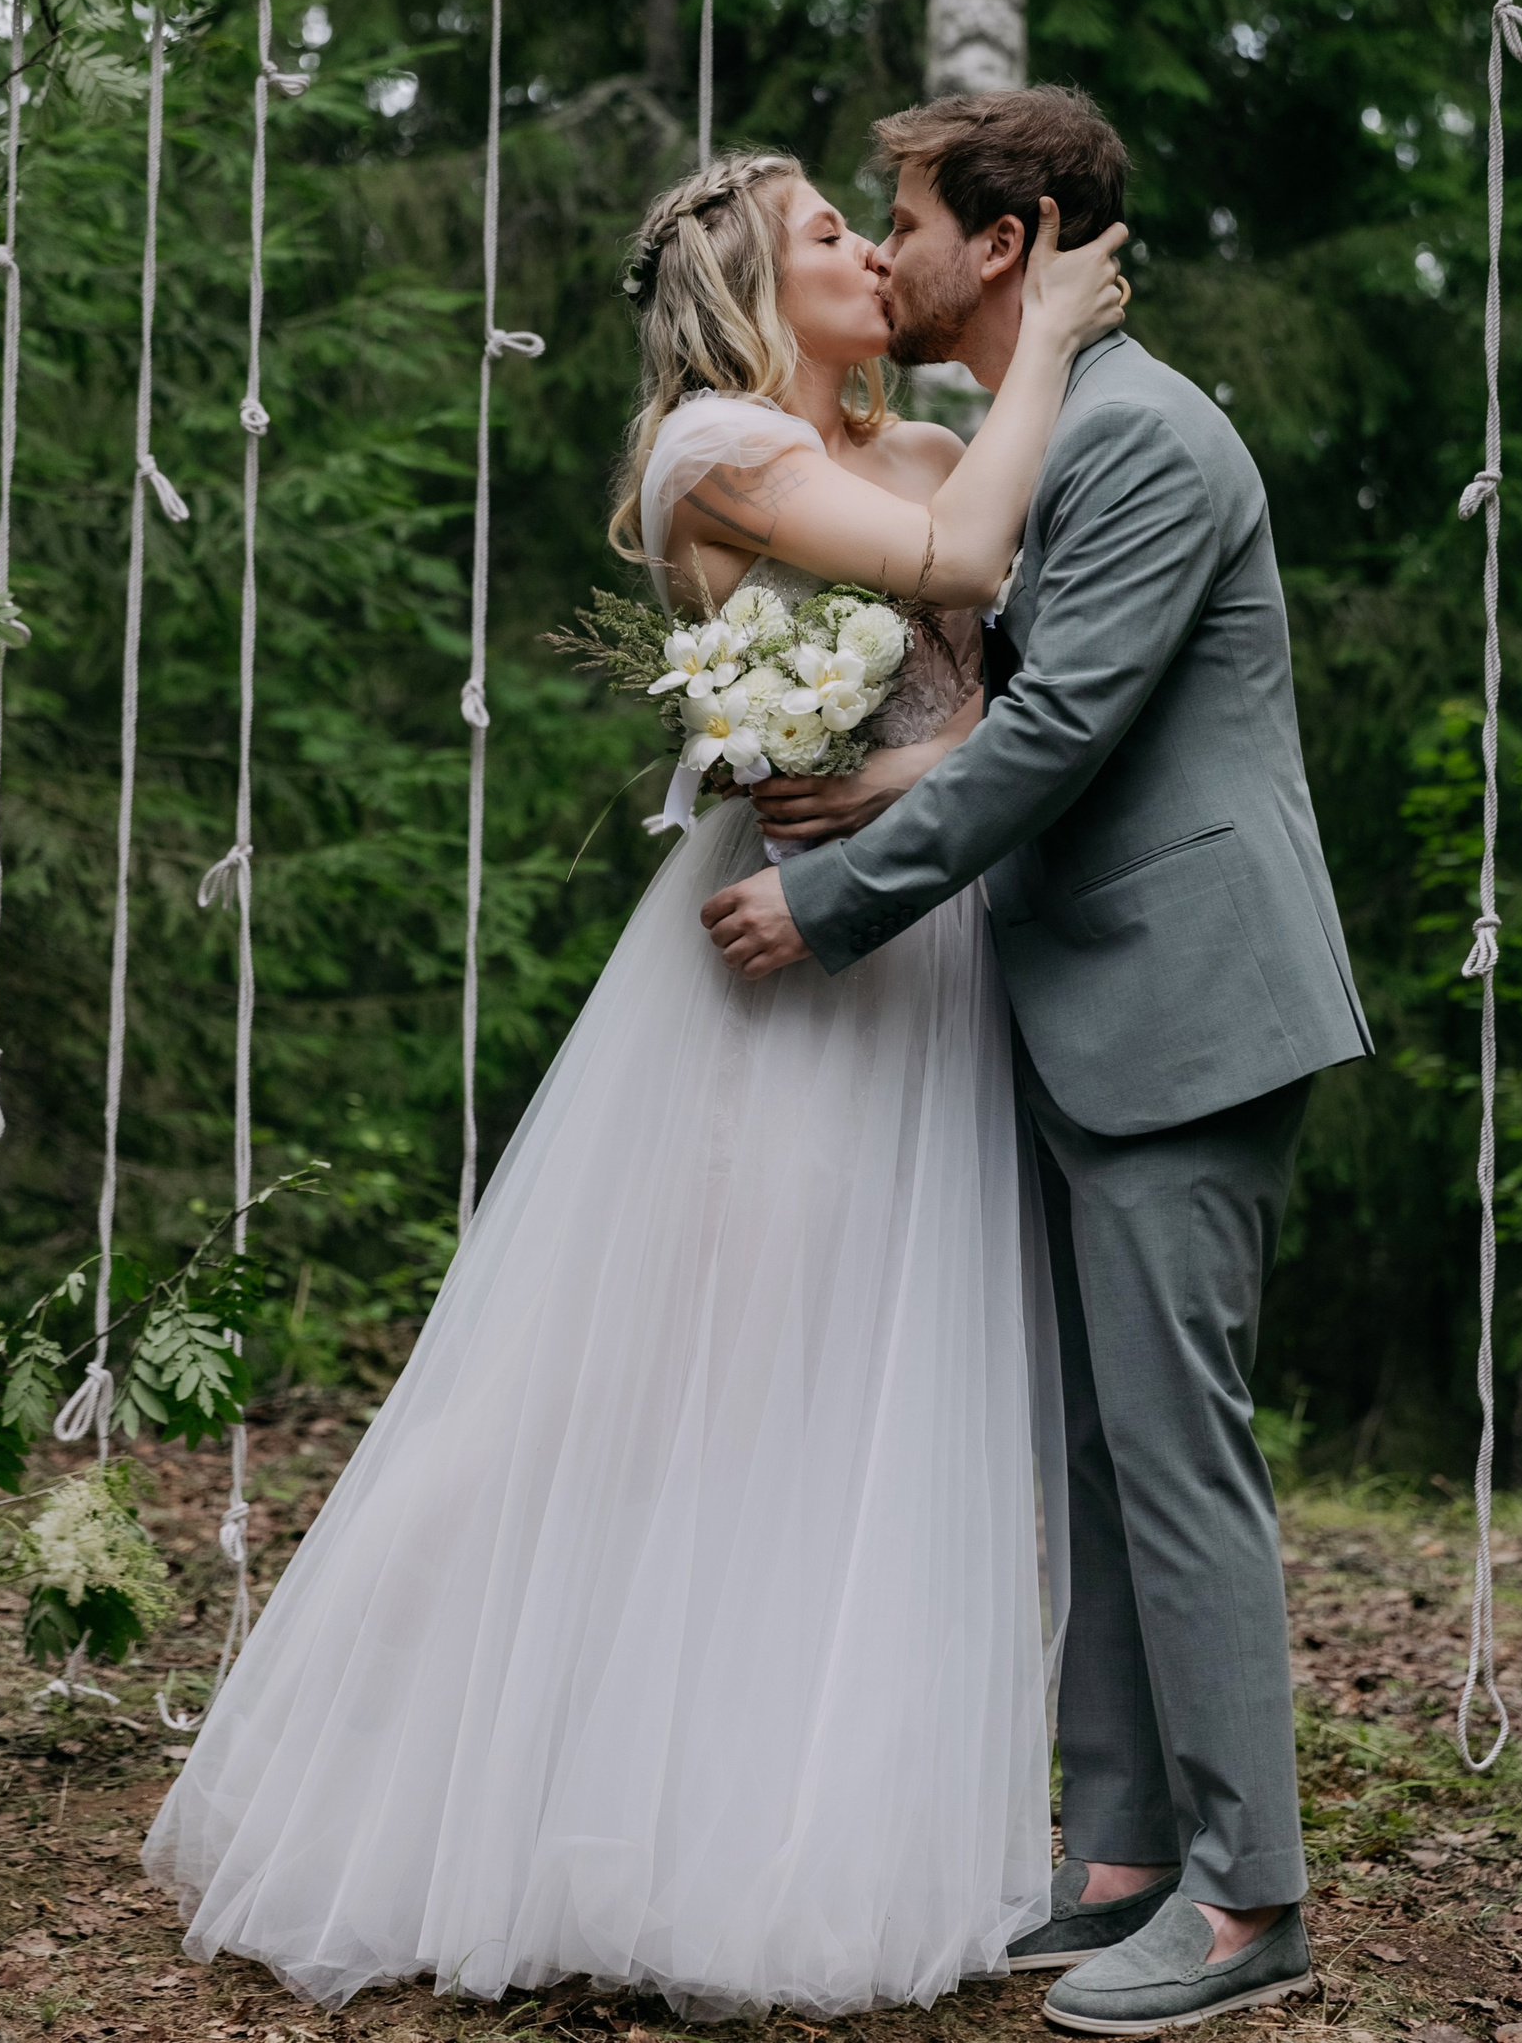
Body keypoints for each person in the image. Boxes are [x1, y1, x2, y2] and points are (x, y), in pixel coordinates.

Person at [142, 148, 1126, 2018]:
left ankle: (761, 1833)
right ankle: (364, 1782)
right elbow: (960, 572)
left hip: (928, 952)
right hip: (776, 968)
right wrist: (1054, 342)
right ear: (753, 282)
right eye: (828, 230)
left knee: (855, 1392)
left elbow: (1020, 704)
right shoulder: (714, 453)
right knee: (647, 1377)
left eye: (867, 224)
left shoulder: (923, 447)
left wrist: (914, 773)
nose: (867, 248)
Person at [704, 86, 1371, 2040]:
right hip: (1097, 1007)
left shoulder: (1144, 437)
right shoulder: (1052, 431)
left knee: (1177, 1458)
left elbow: (1061, 731)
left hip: (1190, 1011)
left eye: (906, 218)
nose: (887, 252)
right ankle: (1123, 1864)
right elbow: (1016, 708)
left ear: (1004, 242)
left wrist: (833, 903)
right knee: (1098, 1458)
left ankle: (1249, 1906)